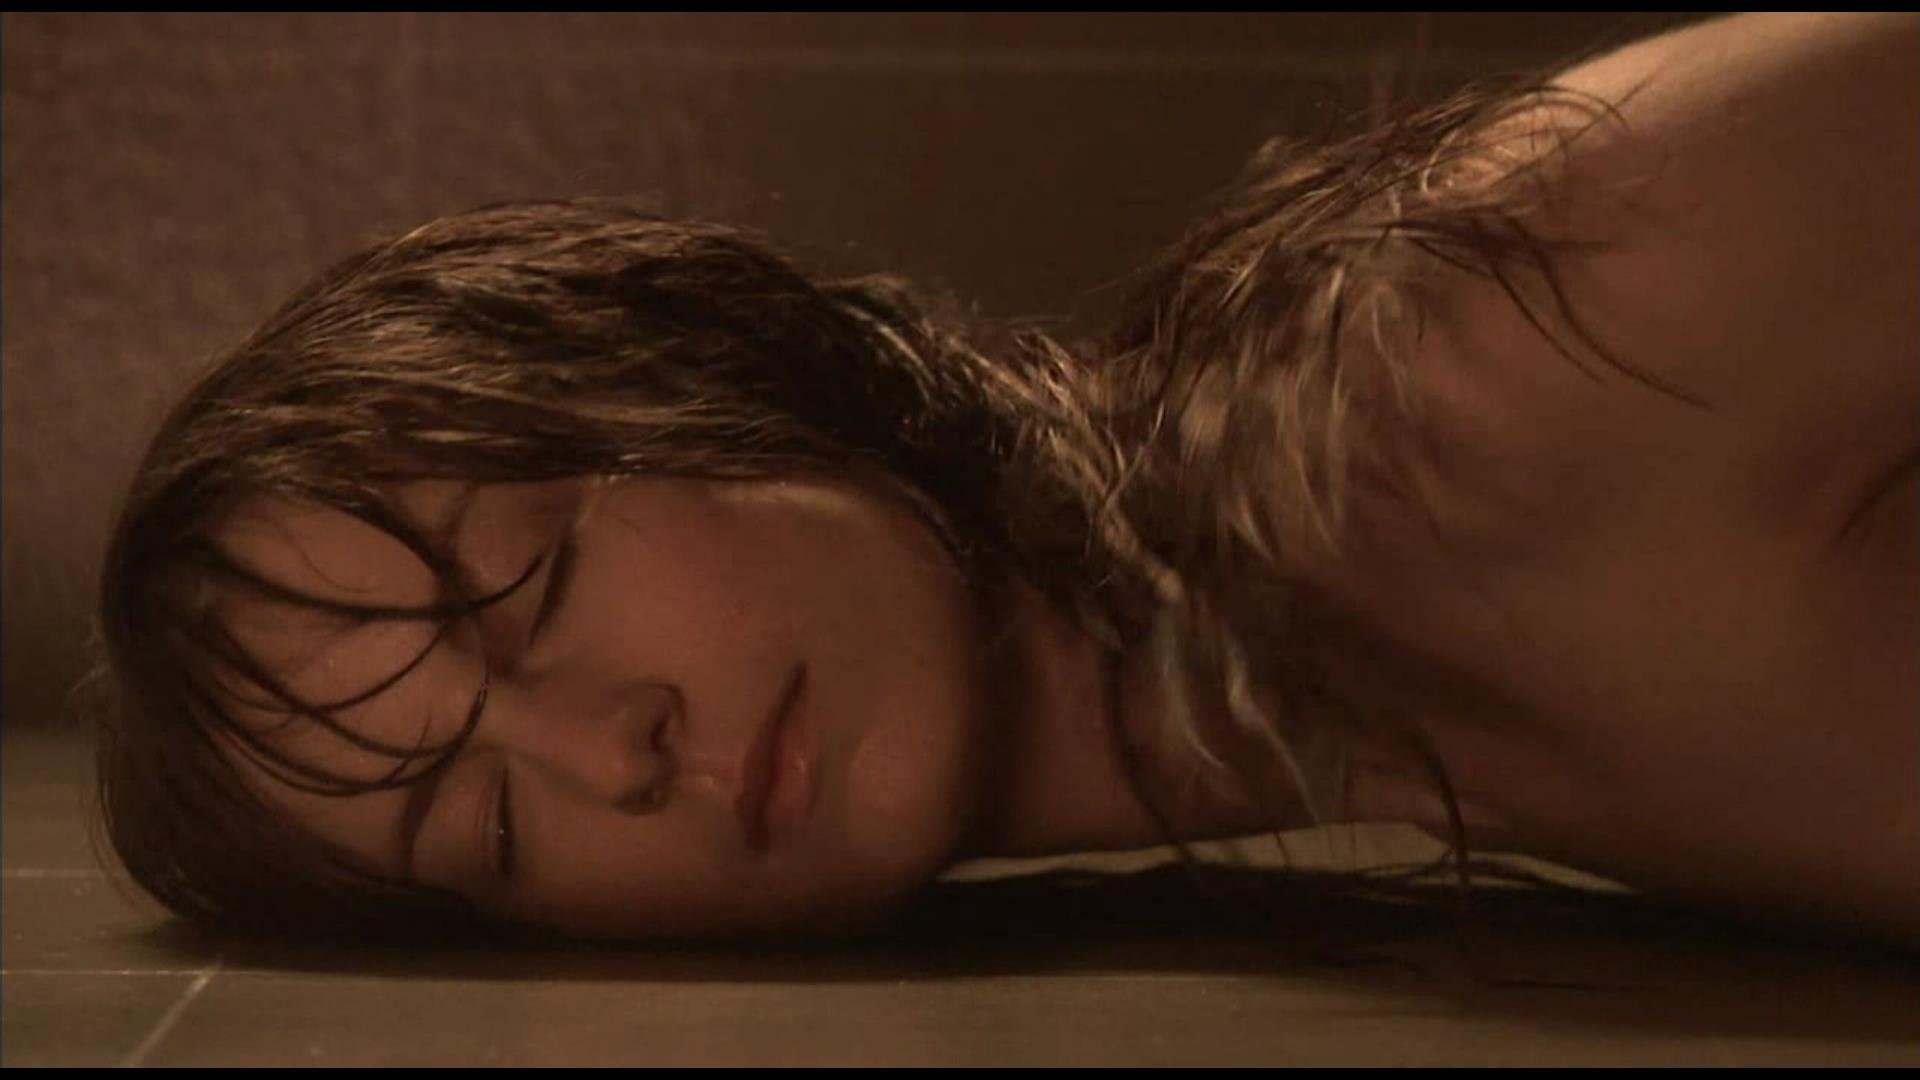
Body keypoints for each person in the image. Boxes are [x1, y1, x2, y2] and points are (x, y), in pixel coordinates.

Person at [91, 13, 1917, 945]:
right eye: (489, 829)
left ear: (695, 371)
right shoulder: (1374, 723)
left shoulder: (1509, 337)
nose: (607, 753)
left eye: (542, 582)